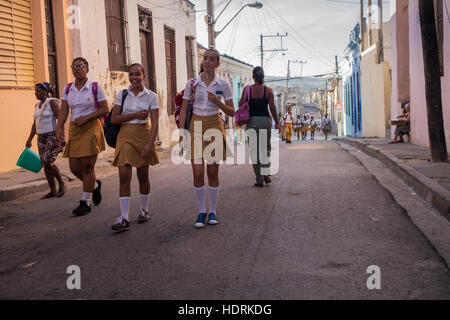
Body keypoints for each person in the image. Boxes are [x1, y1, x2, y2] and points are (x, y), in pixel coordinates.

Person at [178, 49, 235, 229]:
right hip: (195, 124)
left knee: (212, 171)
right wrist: (182, 134)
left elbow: (232, 111)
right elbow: (184, 109)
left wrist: (217, 102)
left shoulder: (223, 84)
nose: (207, 62)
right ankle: (201, 210)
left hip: (214, 124)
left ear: (218, 64)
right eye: (205, 58)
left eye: (212, 59)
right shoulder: (193, 83)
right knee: (197, 172)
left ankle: (213, 211)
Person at [109, 63, 160, 231]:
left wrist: (149, 144)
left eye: (137, 74)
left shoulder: (151, 96)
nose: (134, 78)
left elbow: (155, 124)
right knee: (124, 176)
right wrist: (134, 115)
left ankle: (144, 210)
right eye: (131, 74)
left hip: (143, 135)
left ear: (143, 75)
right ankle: (124, 217)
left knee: (143, 176)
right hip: (125, 136)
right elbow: (114, 119)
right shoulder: (122, 94)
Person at [57, 57, 109, 216]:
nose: (76, 69)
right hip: (75, 129)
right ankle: (94, 186)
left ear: (87, 69)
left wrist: (86, 118)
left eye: (80, 66)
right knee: (74, 168)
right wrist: (59, 127)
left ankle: (85, 202)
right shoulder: (67, 88)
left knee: (87, 166)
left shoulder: (95, 87)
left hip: (91, 127)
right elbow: (64, 110)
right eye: (74, 66)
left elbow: (105, 109)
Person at [240, 66, 280, 188]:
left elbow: (240, 104)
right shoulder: (268, 91)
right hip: (265, 121)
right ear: (263, 77)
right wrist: (277, 122)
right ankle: (266, 172)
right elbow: (272, 107)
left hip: (252, 121)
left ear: (253, 77)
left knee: (254, 151)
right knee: (265, 148)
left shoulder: (247, 90)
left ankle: (259, 179)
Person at [26, 82, 66, 199]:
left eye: (38, 91)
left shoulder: (52, 102)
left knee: (48, 160)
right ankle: (53, 190)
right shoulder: (37, 105)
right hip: (41, 137)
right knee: (45, 163)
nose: (36, 93)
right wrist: (30, 139)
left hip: (52, 136)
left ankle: (62, 183)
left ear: (45, 91)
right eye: (35, 91)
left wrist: (61, 136)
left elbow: (61, 119)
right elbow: (35, 124)